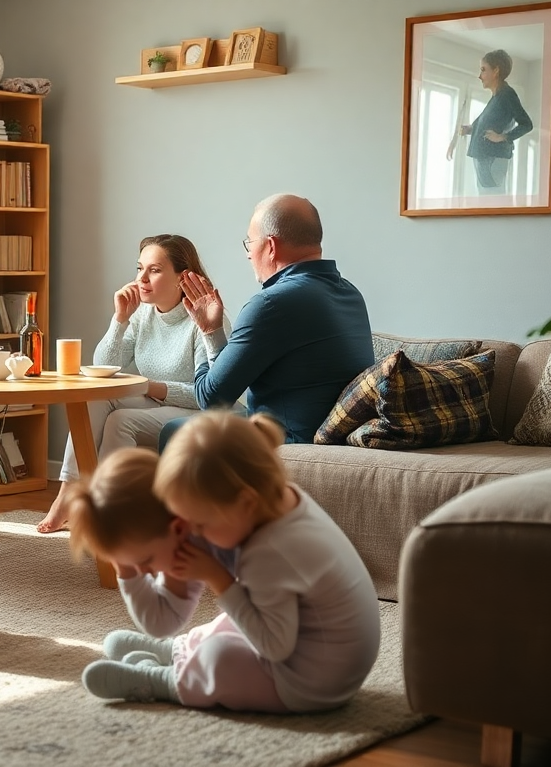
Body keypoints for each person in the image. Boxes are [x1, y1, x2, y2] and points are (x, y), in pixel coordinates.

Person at [65, 412, 380, 712]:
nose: (190, 531)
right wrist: (127, 569)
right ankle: (177, 652)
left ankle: (164, 681)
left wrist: (219, 579)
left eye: (197, 525)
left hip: (315, 680)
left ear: (244, 503)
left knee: (221, 655)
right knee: (234, 616)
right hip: (301, 643)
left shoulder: (271, 552)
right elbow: (163, 622)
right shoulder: (242, 508)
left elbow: (274, 646)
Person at [37, 234, 225, 534]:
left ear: (183, 277)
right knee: (93, 399)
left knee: (121, 420)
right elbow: (103, 368)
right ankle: (67, 497)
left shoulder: (205, 320)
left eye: (155, 270)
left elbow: (210, 394)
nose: (142, 279)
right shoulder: (143, 315)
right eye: (140, 268)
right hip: (158, 402)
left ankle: (111, 512)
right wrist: (120, 319)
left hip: (198, 410)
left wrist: (151, 387)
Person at [160, 194, 373, 449]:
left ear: (271, 246)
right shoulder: (351, 293)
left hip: (291, 441)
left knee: (174, 431)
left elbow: (211, 399)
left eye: (250, 243)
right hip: (339, 438)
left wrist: (207, 331)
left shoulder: (271, 304)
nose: (249, 255)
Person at [446, 49, 533, 195]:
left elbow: (527, 124)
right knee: (486, 201)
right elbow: (490, 125)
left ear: (496, 71)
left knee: (491, 200)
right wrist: (470, 129)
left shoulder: (507, 95)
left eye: (483, 70)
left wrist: (503, 137)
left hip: (492, 159)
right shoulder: (497, 97)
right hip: (485, 159)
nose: (479, 76)